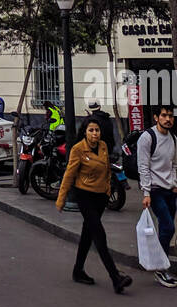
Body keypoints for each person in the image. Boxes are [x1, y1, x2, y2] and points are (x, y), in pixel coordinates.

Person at [57, 117, 133, 293]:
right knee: (99, 235)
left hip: (100, 197)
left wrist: (107, 191)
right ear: (85, 132)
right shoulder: (78, 150)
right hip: (85, 196)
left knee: (87, 234)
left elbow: (107, 170)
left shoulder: (104, 146)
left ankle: (78, 270)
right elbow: (69, 174)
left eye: (97, 130)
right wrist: (61, 199)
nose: (94, 134)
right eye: (91, 130)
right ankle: (116, 277)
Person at [138, 105, 177, 288]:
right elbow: (143, 166)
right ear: (156, 117)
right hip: (155, 190)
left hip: (170, 190)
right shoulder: (148, 137)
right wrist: (146, 192)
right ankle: (160, 269)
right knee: (168, 227)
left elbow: (174, 164)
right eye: (164, 115)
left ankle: (161, 266)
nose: (167, 119)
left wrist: (175, 183)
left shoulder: (174, 138)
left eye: (170, 116)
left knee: (166, 228)